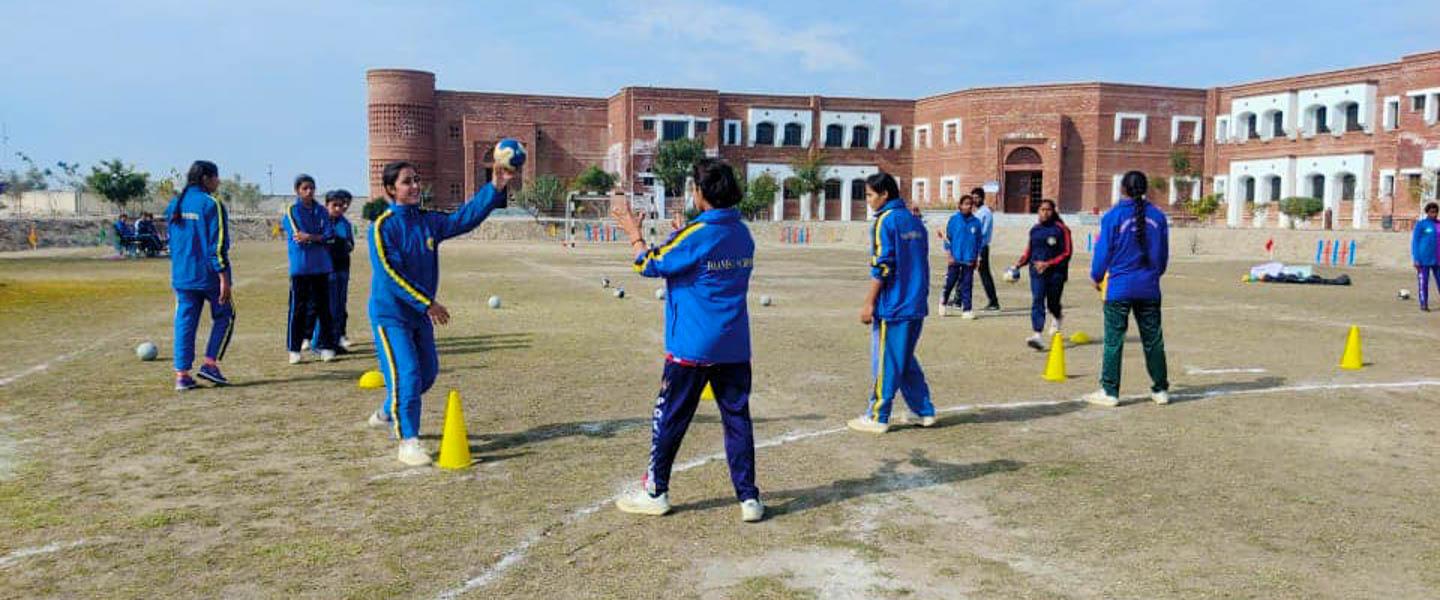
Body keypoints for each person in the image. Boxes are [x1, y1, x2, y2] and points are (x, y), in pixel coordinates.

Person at [609, 158, 764, 523]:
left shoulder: (698, 234)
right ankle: (749, 499)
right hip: (734, 346)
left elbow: (649, 264)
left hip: (692, 347)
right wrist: (680, 235)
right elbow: (695, 259)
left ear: (701, 193)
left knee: (670, 418)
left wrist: (633, 233)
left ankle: (655, 491)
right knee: (737, 419)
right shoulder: (742, 233)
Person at [365, 161, 514, 466]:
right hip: (391, 316)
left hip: (418, 315)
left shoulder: (428, 221)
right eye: (407, 182)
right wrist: (427, 303)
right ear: (392, 190)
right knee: (407, 373)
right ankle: (408, 441)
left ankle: (387, 409)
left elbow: (464, 219)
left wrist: (495, 187)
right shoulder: (382, 227)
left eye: (417, 180)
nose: (415, 186)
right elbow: (389, 273)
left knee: (427, 374)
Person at [849, 172, 936, 434]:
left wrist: (869, 302)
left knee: (888, 359)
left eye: (870, 195)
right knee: (904, 358)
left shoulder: (884, 221)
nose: (868, 201)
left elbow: (883, 266)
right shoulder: (915, 221)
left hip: (895, 304)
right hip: (916, 301)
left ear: (885, 194)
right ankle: (923, 411)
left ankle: (878, 414)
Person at [1086, 171, 1170, 407]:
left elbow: (1103, 250)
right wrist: (1153, 275)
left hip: (1120, 287)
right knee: (1153, 340)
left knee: (1114, 340)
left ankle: (1110, 390)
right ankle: (1160, 389)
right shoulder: (1159, 217)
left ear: (1122, 188)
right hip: (1149, 287)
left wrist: (1096, 276)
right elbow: (1162, 257)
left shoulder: (1113, 216)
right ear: (1146, 189)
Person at [164, 161, 233, 390]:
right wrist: (223, 276)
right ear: (206, 178)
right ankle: (210, 363)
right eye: (216, 177)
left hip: (182, 275)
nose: (218, 181)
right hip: (209, 275)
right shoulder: (211, 204)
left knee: (185, 322)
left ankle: (182, 375)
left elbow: (173, 240)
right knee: (226, 315)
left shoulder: (175, 203)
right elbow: (218, 244)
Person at [282, 174, 336, 364]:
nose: (309, 191)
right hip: (301, 268)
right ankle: (294, 349)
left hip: (321, 266)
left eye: (312, 188)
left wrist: (313, 237)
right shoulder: (292, 210)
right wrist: (317, 237)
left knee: (324, 308)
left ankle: (327, 346)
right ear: (297, 190)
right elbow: (298, 236)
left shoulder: (321, 211)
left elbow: (329, 234)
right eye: (305, 188)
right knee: (298, 309)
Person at [1015, 199, 1072, 350]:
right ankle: (1037, 335)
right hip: (1037, 272)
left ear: (1053, 212)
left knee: (1052, 303)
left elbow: (1067, 253)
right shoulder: (1035, 230)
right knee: (1037, 300)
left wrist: (1048, 264)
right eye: (1042, 209)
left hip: (1056, 273)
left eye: (1048, 210)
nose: (1045, 212)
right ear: (1038, 211)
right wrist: (1018, 264)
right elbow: (1029, 251)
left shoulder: (1062, 229)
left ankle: (1058, 316)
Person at [311, 190, 355, 352]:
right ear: (327, 205)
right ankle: (318, 343)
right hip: (325, 271)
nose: (338, 208)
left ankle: (335, 342)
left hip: (342, 269)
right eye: (334, 205)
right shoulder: (320, 223)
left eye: (340, 205)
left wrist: (344, 245)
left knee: (338, 308)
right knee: (325, 308)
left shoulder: (345, 224)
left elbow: (350, 245)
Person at [939, 194, 983, 319]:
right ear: (960, 206)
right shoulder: (954, 220)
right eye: (965, 204)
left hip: (969, 259)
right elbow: (947, 239)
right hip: (955, 258)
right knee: (951, 282)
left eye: (970, 204)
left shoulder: (976, 223)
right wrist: (949, 255)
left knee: (967, 284)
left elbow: (979, 242)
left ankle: (967, 309)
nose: (968, 206)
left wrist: (978, 258)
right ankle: (943, 301)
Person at [972, 187, 1000, 311]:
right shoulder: (978, 212)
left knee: (984, 274)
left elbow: (981, 232)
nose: (974, 200)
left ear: (982, 198)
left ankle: (994, 301)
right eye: (973, 198)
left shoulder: (985, 213)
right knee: (967, 271)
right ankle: (958, 298)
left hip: (981, 247)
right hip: (976, 246)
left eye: (977, 198)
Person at [1411, 202, 1439, 311]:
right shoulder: (1421, 225)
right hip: (1423, 260)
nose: (1434, 214)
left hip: (1438, 259)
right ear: (1427, 212)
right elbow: (1415, 242)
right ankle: (1424, 304)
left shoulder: (1439, 224)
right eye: (1432, 212)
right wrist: (1416, 258)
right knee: (1424, 282)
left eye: (1436, 212)